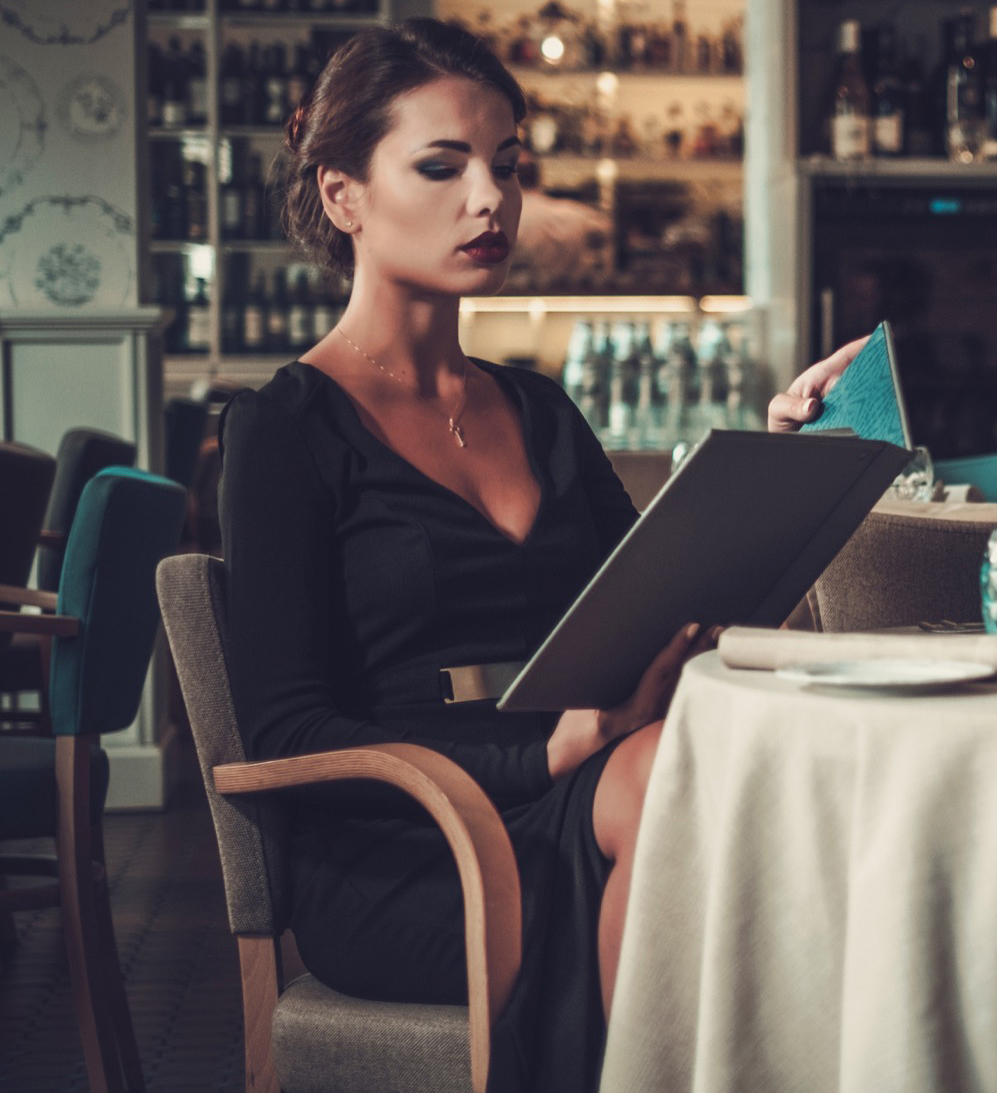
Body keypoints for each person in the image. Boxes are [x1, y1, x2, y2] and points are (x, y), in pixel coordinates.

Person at [220, 20, 816, 1089]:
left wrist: (773, 475)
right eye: (441, 166)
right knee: (672, 786)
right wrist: (545, 752)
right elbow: (285, 727)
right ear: (342, 193)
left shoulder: (539, 409)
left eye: (507, 165)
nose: (490, 198)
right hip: (410, 846)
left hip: (592, 789)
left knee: (726, 783)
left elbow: (654, 608)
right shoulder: (281, 428)